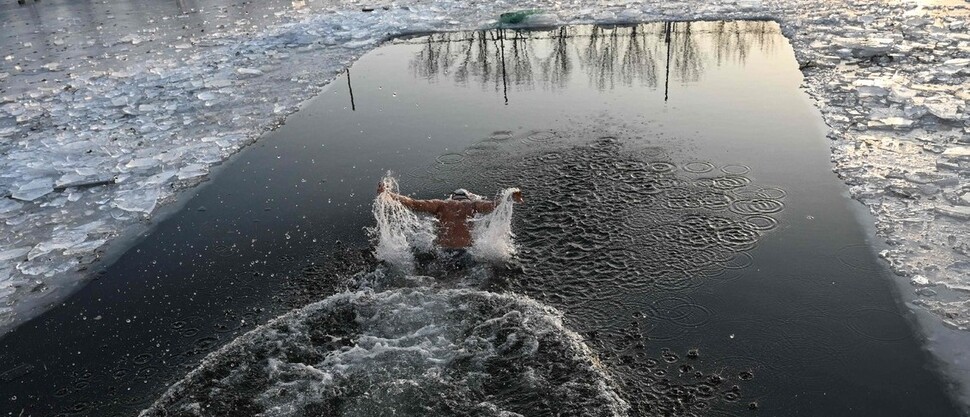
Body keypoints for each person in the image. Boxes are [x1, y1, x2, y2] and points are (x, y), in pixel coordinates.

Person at [377, 182, 524, 249]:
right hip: (467, 252)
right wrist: (509, 197)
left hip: (443, 252)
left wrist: (388, 194)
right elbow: (494, 204)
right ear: (467, 197)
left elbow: (413, 203)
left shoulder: (441, 204)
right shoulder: (474, 205)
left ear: (452, 198)